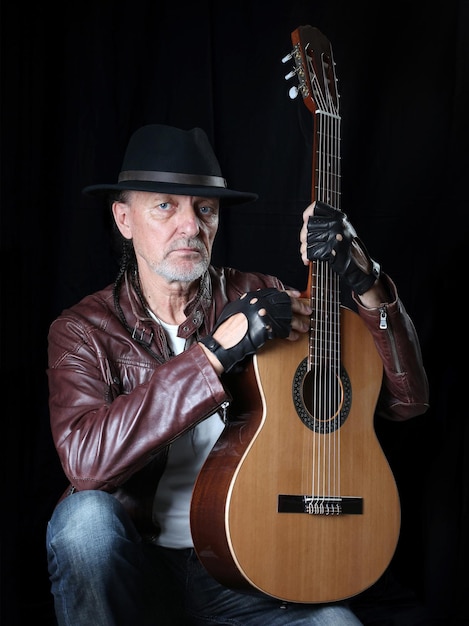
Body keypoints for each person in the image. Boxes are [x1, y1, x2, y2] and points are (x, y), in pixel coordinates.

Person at [46, 123, 429, 626]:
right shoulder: (82, 330)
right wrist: (215, 353)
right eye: (165, 205)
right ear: (123, 219)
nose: (190, 225)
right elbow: (86, 464)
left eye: (205, 209)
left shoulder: (263, 295)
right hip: (137, 563)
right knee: (83, 525)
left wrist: (367, 279)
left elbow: (404, 401)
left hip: (248, 565)